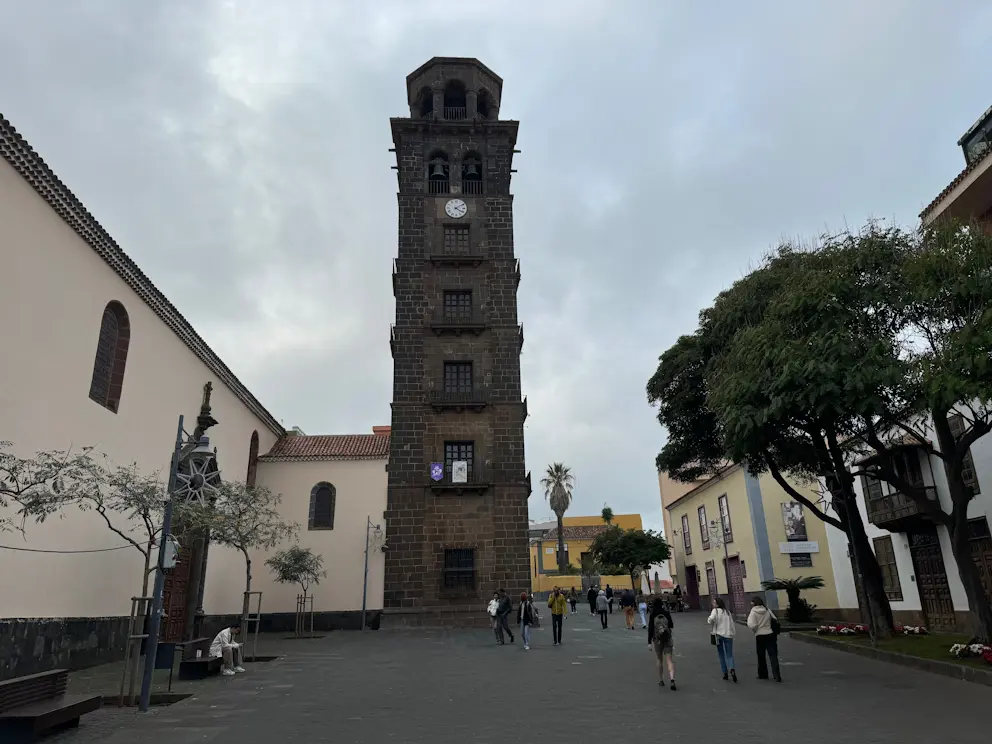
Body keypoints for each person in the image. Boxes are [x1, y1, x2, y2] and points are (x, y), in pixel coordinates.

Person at [747, 596, 782, 682]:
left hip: (760, 635)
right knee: (773, 655)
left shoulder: (753, 612)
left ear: (754, 603)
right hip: (770, 634)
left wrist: (755, 630)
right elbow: (775, 619)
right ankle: (777, 675)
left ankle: (763, 674)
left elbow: (752, 624)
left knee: (761, 656)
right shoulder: (767, 610)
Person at [647, 598, 676, 690]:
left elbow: (650, 629)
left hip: (657, 640)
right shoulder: (666, 613)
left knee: (659, 659)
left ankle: (661, 680)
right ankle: (672, 679)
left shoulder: (652, 615)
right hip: (667, 638)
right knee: (669, 660)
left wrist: (649, 642)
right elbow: (671, 625)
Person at [707, 598, 737, 683]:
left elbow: (710, 620)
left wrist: (711, 619)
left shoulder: (715, 611)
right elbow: (731, 624)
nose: (713, 604)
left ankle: (725, 673)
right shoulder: (727, 612)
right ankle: (732, 669)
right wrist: (733, 633)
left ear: (718, 604)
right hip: (728, 635)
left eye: (714, 602)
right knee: (729, 655)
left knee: (721, 654)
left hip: (719, 635)